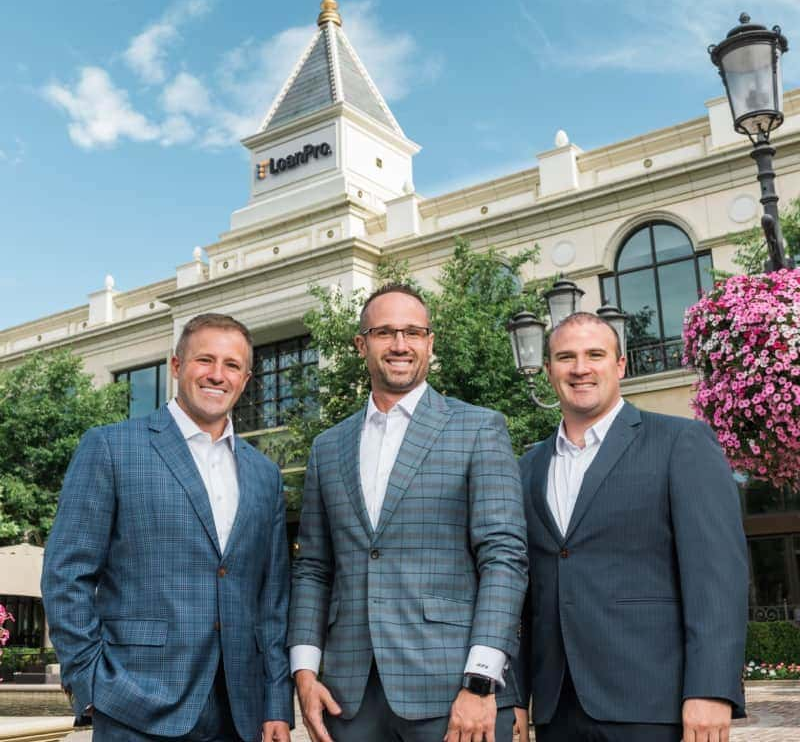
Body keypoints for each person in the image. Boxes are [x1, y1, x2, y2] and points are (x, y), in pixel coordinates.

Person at [289, 284, 528, 742]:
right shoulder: (328, 446)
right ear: (361, 344)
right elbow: (314, 568)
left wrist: (481, 680)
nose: (400, 344)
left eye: (413, 332)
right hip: (348, 698)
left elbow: (503, 558)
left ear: (430, 342)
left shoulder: (478, 428)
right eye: (384, 332)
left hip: (453, 691)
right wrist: (305, 671)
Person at [42, 313, 292, 742]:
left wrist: (276, 702)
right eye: (205, 360)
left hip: (240, 713)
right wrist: (89, 681)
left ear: (246, 379)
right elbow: (67, 573)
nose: (217, 375)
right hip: (135, 702)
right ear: (176, 366)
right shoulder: (111, 447)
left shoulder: (265, 474)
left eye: (231, 365)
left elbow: (271, 600)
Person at [513, 312, 748, 742]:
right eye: (565, 357)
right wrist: (514, 694)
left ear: (620, 366)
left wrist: (712, 688)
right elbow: (521, 594)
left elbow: (718, 578)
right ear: (549, 371)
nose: (580, 368)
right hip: (556, 709)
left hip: (653, 703)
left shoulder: (681, 443)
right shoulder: (527, 467)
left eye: (595, 355)